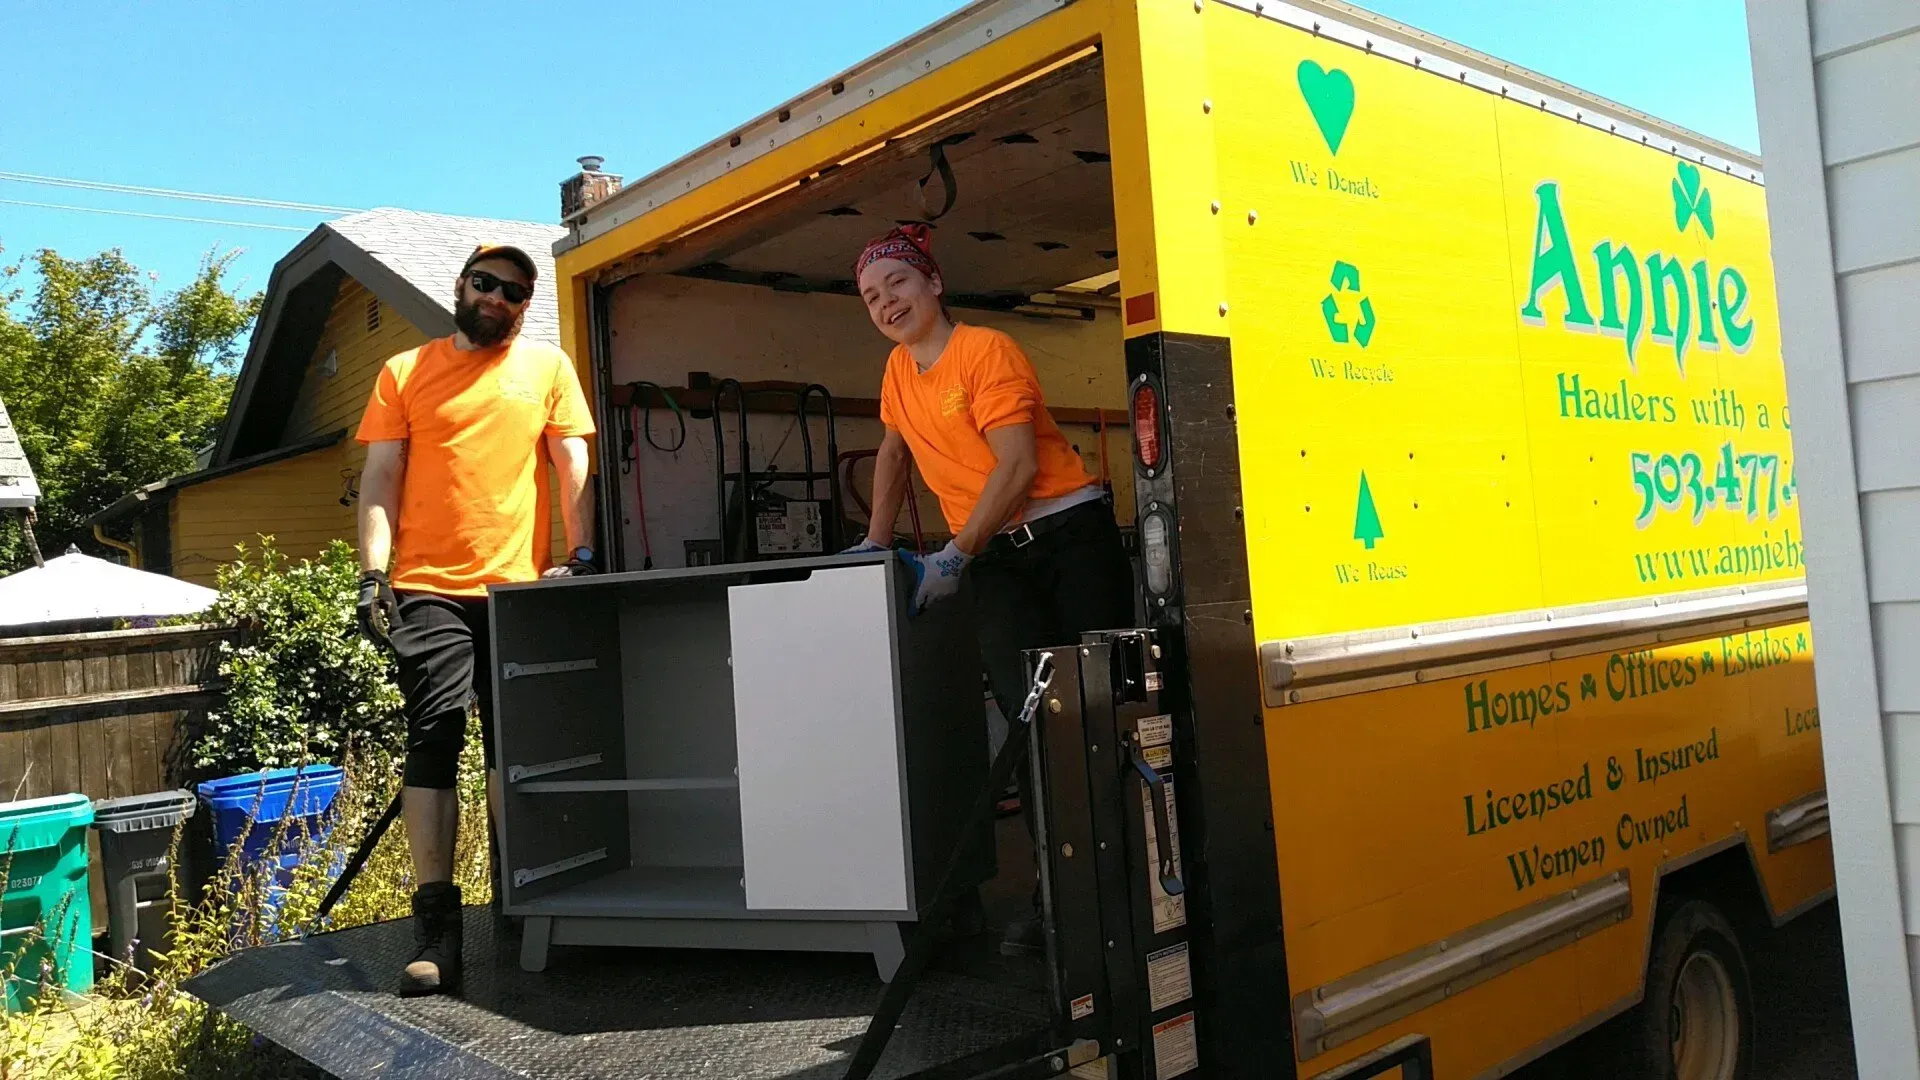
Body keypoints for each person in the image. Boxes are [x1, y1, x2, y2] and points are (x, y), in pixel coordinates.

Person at [846, 224, 1135, 955]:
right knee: (1034, 721)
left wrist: (953, 556)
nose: (887, 304)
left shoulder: (986, 351)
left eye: (898, 285)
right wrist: (876, 542)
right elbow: (893, 451)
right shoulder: (895, 373)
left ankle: (1138, 886)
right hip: (997, 559)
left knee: (1102, 708)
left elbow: (1014, 470)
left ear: (934, 284)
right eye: (872, 297)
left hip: (1067, 540)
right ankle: (1058, 899)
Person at [353, 244, 598, 996]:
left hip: (517, 590)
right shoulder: (404, 371)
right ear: (460, 286)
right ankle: (437, 932)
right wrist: (372, 574)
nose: (498, 297)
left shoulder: (547, 369)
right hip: (427, 587)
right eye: (485, 283)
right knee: (433, 739)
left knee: (514, 748)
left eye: (515, 292)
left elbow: (573, 464)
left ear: (526, 306)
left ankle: (519, 903)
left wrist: (583, 553)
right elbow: (381, 476)